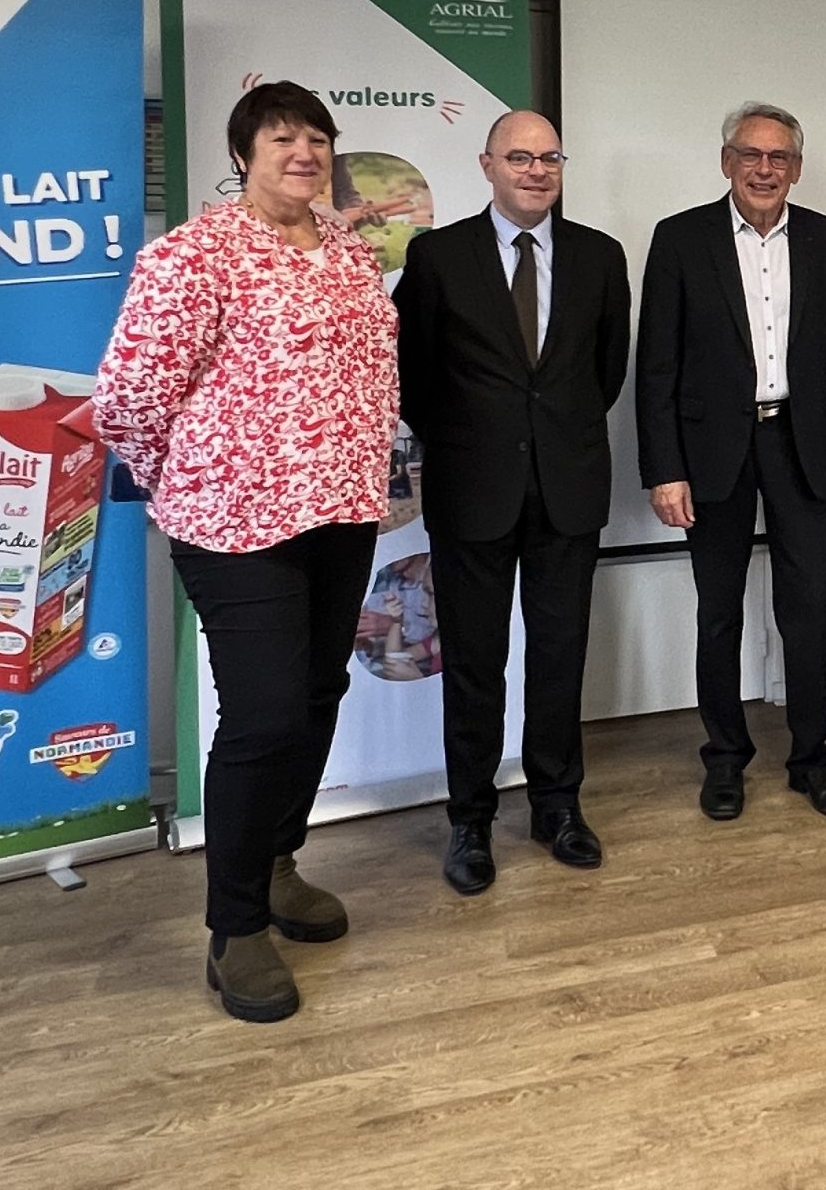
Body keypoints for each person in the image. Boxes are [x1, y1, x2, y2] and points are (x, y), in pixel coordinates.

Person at [93, 80, 399, 1024]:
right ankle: (235, 929)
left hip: (341, 510)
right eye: (281, 137)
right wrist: (183, 476)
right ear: (243, 154)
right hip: (233, 524)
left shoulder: (349, 253)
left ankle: (275, 863)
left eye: (315, 138)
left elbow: (374, 372)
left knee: (318, 692)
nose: (301, 152)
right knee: (263, 712)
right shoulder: (192, 256)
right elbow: (127, 399)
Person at [394, 109, 630, 898]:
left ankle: (558, 808)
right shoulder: (436, 257)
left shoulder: (600, 257)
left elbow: (606, 374)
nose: (536, 170)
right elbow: (415, 380)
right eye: (520, 157)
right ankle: (469, 820)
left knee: (561, 658)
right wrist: (477, 440)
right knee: (474, 662)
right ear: (487, 164)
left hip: (568, 488)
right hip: (473, 490)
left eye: (550, 157)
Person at [637, 103, 826, 822]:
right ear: (726, 161)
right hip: (711, 451)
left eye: (780, 158)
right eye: (751, 155)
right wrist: (662, 468)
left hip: (800, 441)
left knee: (809, 609)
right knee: (719, 612)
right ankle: (725, 759)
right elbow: (657, 367)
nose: (765, 169)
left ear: (796, 167)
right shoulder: (680, 239)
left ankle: (811, 759)